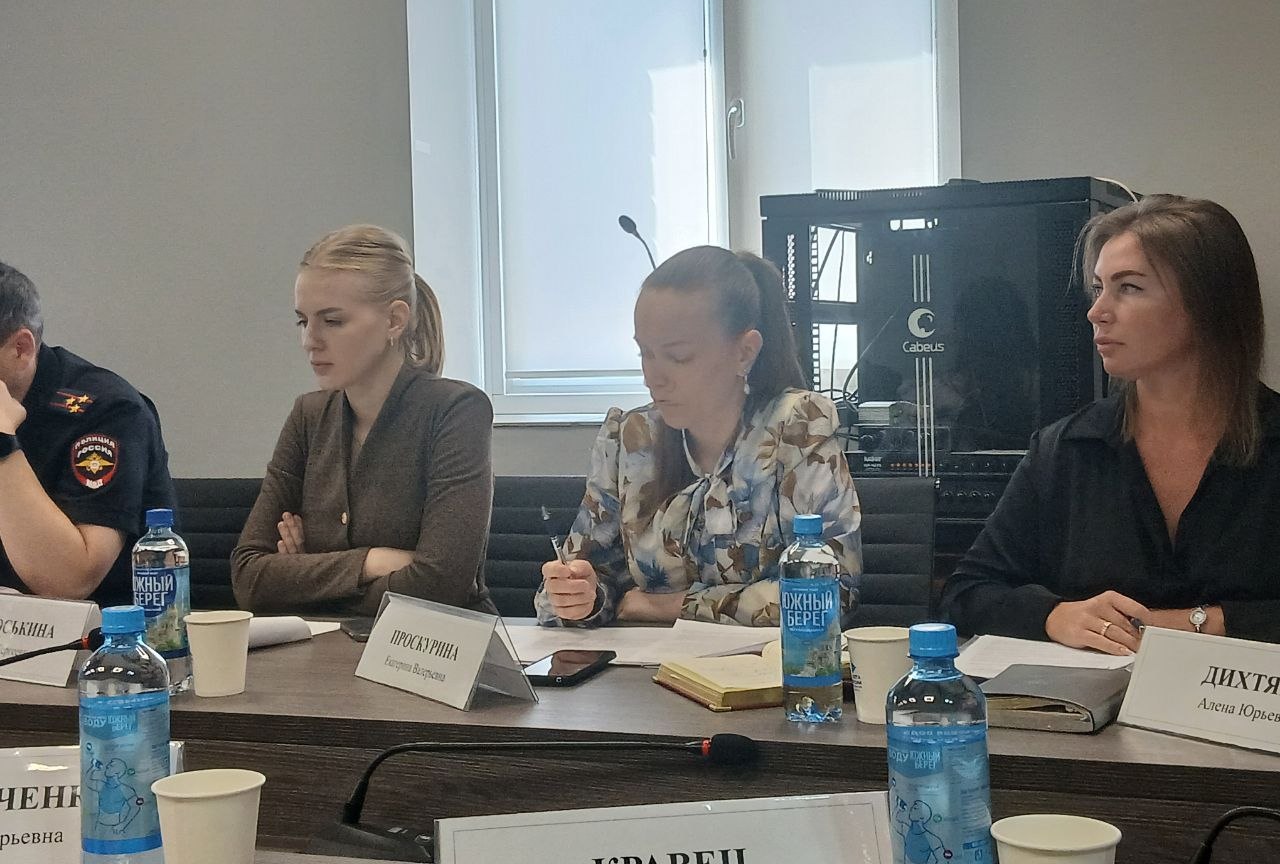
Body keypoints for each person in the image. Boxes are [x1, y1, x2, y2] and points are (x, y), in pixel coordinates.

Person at [941, 194, 1280, 650]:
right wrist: (1055, 615)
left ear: (1208, 304)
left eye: (1130, 288)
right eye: (1099, 287)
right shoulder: (1065, 448)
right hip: (1094, 694)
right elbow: (967, 593)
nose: (1096, 311)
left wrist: (1197, 623)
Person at [535, 246, 861, 627]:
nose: (653, 377)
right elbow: (569, 590)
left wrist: (666, 606)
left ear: (744, 352)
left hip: (769, 663)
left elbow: (830, 593)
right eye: (644, 354)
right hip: (645, 661)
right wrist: (584, 598)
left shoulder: (798, 427)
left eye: (678, 357)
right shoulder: (630, 438)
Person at [231, 225, 496, 616]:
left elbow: (440, 585)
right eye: (303, 321)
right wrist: (372, 562)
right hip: (329, 648)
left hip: (437, 648)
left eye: (333, 321)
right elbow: (249, 579)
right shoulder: (308, 416)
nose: (309, 340)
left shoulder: (456, 410)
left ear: (394, 320)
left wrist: (304, 577)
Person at [0, 262, 174, 605]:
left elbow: (68, 581)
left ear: (21, 348)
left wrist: (2, 444)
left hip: (106, 634)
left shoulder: (108, 412)